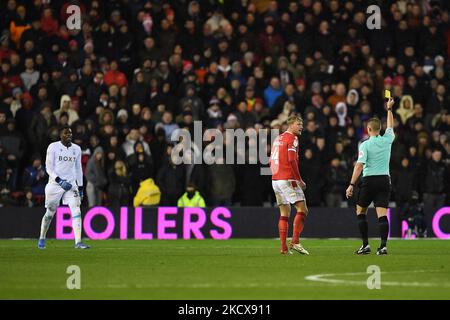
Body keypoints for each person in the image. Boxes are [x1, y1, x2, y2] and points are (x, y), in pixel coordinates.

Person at [346, 97, 395, 255]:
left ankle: (366, 245)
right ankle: (383, 246)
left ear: (368, 129)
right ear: (380, 129)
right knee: (382, 214)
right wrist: (389, 109)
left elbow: (359, 166)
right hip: (384, 180)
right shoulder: (387, 139)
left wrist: (352, 184)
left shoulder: (365, 144)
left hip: (369, 181)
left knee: (360, 211)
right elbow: (391, 125)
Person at [38, 125, 90, 249]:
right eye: (66, 133)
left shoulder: (76, 149)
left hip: (71, 184)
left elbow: (78, 169)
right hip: (55, 184)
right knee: (50, 212)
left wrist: (81, 187)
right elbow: (48, 168)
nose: (69, 135)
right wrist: (59, 181)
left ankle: (78, 242)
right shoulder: (53, 147)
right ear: (60, 135)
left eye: (70, 133)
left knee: (76, 210)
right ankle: (42, 237)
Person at [270, 114, 309, 255]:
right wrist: (298, 179)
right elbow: (292, 160)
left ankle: (283, 248)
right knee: (302, 209)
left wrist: (277, 176)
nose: (301, 127)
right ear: (291, 125)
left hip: (276, 179)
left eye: (302, 124)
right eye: (299, 124)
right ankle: (295, 242)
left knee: (284, 213)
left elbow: (271, 160)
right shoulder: (292, 138)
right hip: (287, 178)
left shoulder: (277, 138)